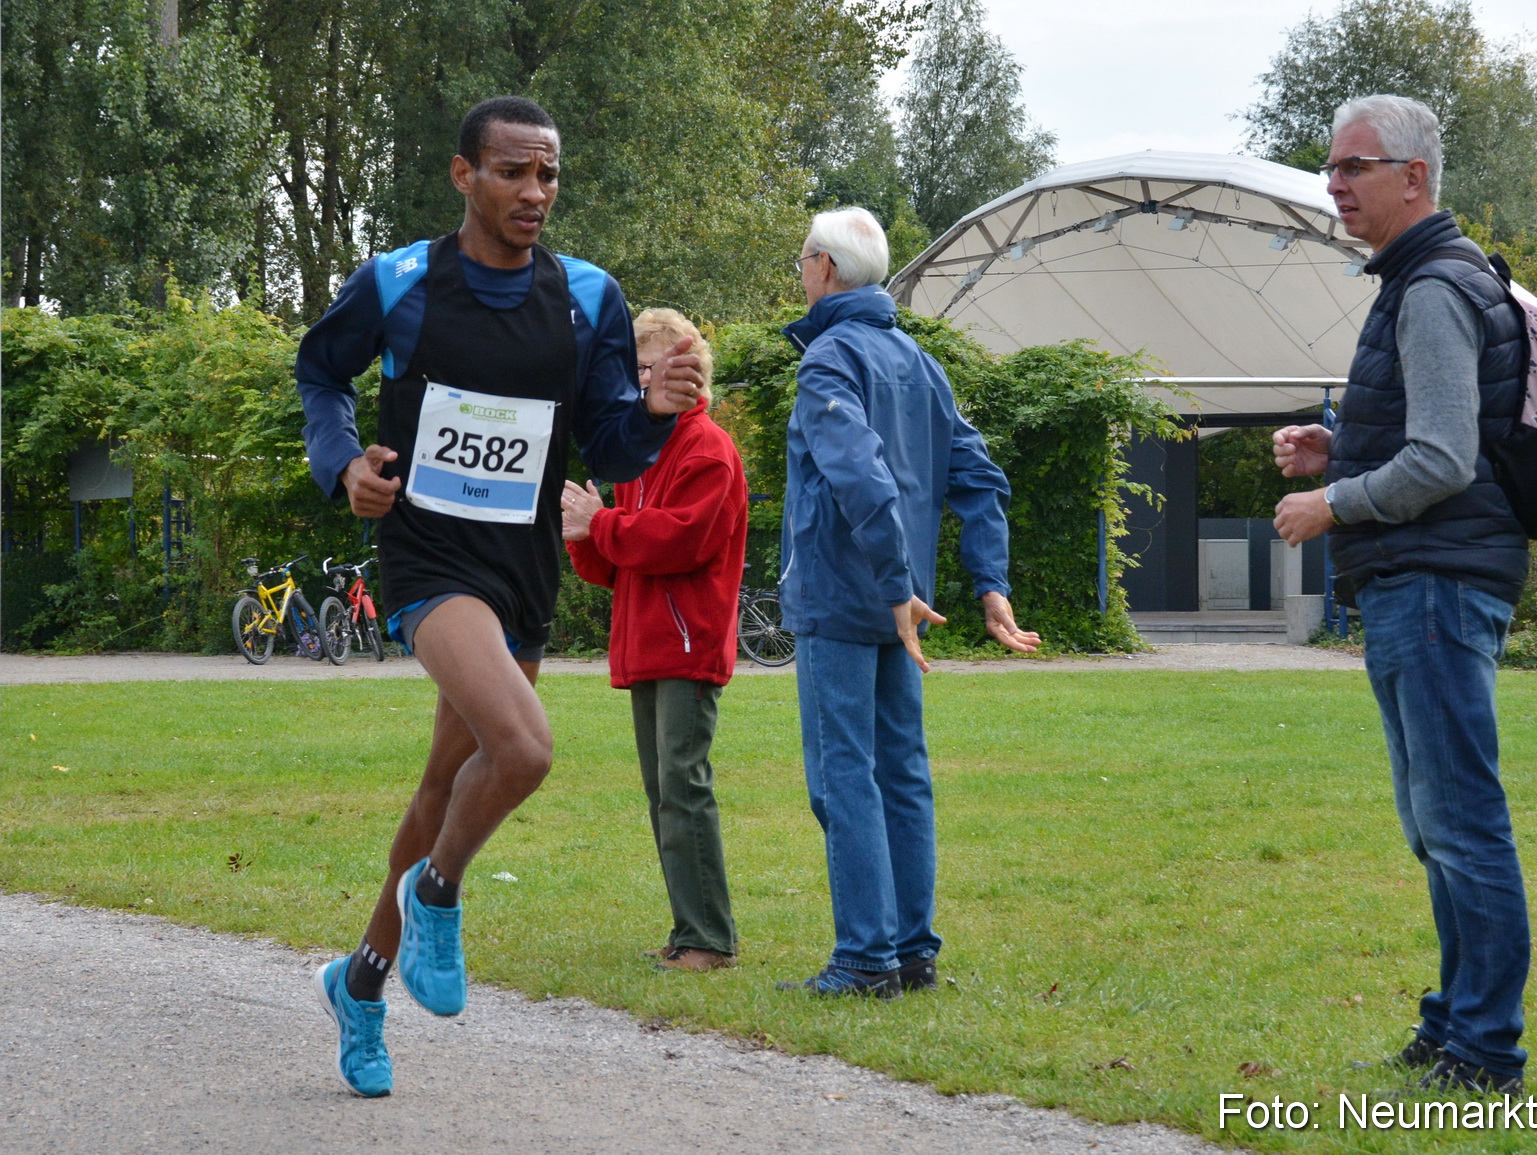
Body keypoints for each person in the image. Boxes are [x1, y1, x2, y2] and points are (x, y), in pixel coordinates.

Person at [295, 95, 704, 1097]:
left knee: (444, 786)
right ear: (462, 175)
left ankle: (361, 983)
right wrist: (343, 463)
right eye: (515, 172)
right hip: (429, 560)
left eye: (549, 175)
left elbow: (603, 444)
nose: (535, 192)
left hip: (523, 567)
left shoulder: (588, 299)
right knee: (522, 748)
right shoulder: (400, 284)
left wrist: (649, 414)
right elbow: (319, 371)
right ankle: (437, 894)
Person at [1272, 94, 1531, 1097]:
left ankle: (1485, 1050)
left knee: (1460, 821)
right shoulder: (1421, 281)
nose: (1333, 185)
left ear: (1412, 178)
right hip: (1420, 581)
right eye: (1331, 168)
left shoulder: (1431, 289)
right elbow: (1438, 436)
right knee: (1436, 822)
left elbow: (1441, 460)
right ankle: (1456, 1023)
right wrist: (1339, 445)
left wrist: (1328, 502)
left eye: (1353, 167)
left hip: (1433, 585)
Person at [776, 207, 1041, 999]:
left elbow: (862, 479)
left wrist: (893, 587)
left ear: (824, 268)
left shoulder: (827, 359)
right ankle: (913, 952)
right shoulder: (920, 362)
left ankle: (864, 959)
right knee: (903, 773)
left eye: (801, 262)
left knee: (845, 778)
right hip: (904, 606)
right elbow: (981, 481)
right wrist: (989, 584)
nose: (800, 275)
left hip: (850, 598)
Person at [561, 308, 747, 974]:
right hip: (647, 644)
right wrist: (585, 537)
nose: (640, 380)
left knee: (682, 786)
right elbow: (621, 562)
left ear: (689, 373)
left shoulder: (708, 450)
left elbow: (679, 540)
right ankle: (689, 930)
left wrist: (602, 524)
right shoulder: (640, 448)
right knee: (662, 790)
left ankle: (708, 939)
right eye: (636, 369)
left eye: (652, 367)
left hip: (687, 645)